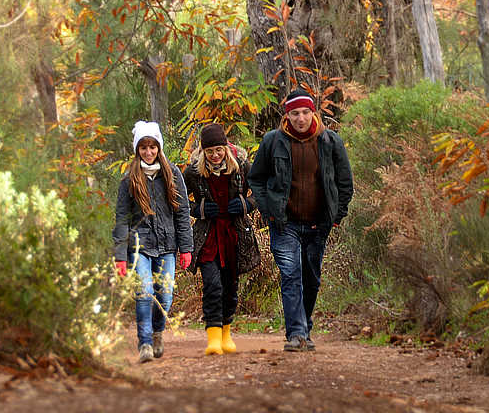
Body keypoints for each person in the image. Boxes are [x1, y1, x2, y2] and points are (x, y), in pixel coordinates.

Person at [247, 89, 353, 352]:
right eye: (295, 113)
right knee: (291, 275)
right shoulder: (273, 141)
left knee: (311, 278)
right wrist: (268, 209)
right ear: (287, 115)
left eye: (306, 112)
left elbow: (344, 183)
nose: (301, 118)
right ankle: (296, 333)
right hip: (285, 223)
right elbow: (256, 178)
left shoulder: (330, 142)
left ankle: (305, 327)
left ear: (313, 113)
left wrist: (336, 216)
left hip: (319, 223)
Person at [112, 120, 193, 363]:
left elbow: (182, 212)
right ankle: (145, 343)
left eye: (153, 147)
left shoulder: (172, 174)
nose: (148, 152)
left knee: (165, 295)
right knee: (144, 291)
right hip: (139, 247)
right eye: (143, 148)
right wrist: (120, 256)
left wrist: (186, 248)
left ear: (159, 148)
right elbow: (122, 220)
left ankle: (158, 332)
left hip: (167, 245)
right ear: (137, 150)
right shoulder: (129, 180)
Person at [183, 123, 256, 356]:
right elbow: (179, 199)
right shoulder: (194, 171)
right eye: (210, 151)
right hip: (208, 235)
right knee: (212, 285)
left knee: (230, 286)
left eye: (219, 149)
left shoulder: (242, 166)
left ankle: (226, 333)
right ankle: (213, 337)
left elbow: (262, 192)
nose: (215, 155)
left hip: (234, 233)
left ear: (226, 147)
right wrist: (199, 210)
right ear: (203, 151)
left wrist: (246, 205)